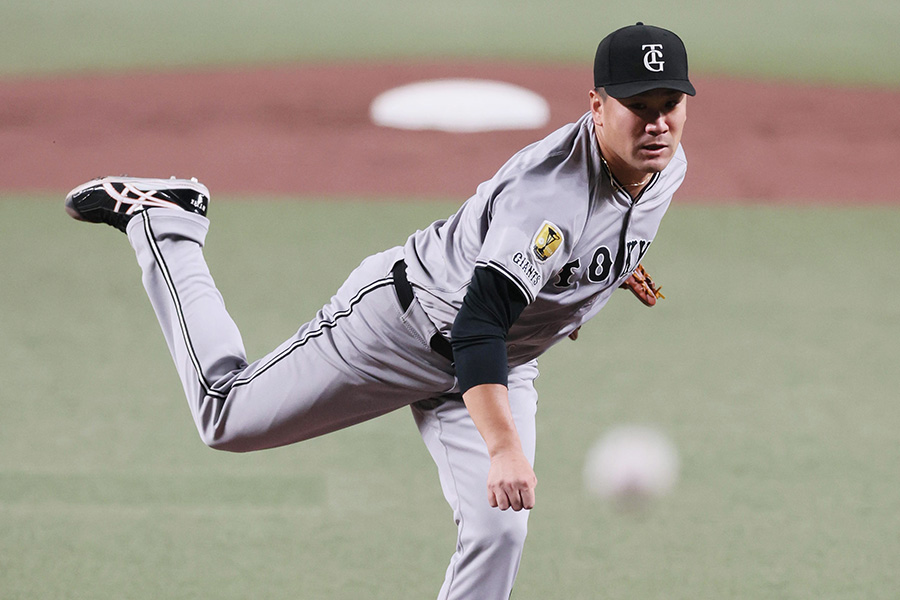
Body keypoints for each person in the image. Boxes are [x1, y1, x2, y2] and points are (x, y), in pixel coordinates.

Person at [65, 22, 695, 600]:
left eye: (668, 106)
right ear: (597, 106)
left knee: (500, 532)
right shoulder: (548, 197)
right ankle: (166, 223)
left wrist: (604, 269)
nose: (657, 124)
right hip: (401, 328)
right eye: (638, 108)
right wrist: (503, 448)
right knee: (225, 418)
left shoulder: (663, 166)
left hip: (493, 364)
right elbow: (478, 323)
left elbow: (594, 231)